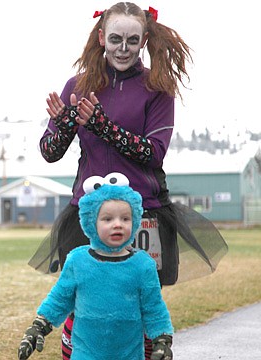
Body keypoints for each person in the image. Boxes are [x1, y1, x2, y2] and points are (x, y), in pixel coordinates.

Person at [28, 2, 228, 359]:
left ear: (144, 40)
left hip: (144, 211)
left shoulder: (157, 88)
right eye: (116, 39)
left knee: (141, 302)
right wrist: (64, 124)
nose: (123, 48)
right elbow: (49, 152)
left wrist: (100, 124)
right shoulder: (78, 85)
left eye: (132, 40)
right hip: (86, 212)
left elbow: (153, 153)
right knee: (79, 301)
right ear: (102, 37)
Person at [18, 173, 174, 360]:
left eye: (125, 219)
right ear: (91, 222)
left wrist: (162, 340)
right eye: (108, 219)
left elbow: (154, 308)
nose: (117, 224)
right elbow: (60, 299)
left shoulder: (143, 265)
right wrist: (38, 327)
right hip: (86, 354)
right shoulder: (77, 260)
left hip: (128, 354)